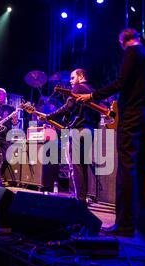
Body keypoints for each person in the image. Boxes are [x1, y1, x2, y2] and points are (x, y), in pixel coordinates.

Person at [77, 28, 145, 237]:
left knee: (126, 168)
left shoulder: (132, 52)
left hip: (131, 114)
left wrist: (93, 96)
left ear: (123, 41)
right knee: (143, 167)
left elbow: (121, 83)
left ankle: (124, 225)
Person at [40, 69, 101, 203]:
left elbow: (67, 107)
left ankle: (80, 200)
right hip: (90, 130)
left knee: (76, 166)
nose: (71, 81)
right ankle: (82, 198)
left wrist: (48, 116)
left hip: (79, 130)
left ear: (81, 76)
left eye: (73, 78)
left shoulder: (78, 88)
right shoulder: (92, 90)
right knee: (83, 165)